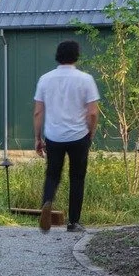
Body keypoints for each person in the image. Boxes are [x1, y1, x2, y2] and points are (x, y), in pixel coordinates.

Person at [33, 39, 101, 232]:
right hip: (79, 136)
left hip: (54, 136)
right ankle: (73, 222)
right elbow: (93, 112)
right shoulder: (85, 79)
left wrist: (38, 138)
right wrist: (91, 131)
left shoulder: (45, 79)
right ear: (76, 56)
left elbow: (38, 112)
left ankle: (47, 202)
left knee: (52, 175)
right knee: (77, 178)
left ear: (58, 56)